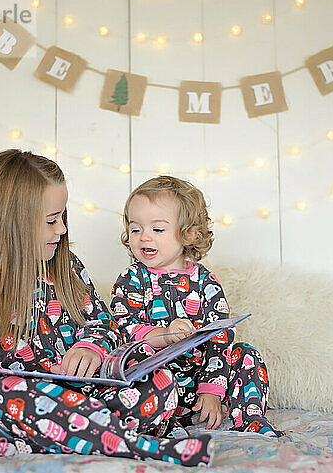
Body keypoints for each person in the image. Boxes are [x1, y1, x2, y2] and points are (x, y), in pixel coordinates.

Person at [0, 150, 214, 466]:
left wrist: (90, 347)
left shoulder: (67, 268)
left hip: (90, 398)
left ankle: (17, 444)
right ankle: (145, 449)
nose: (62, 229)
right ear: (7, 225)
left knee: (161, 382)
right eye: (52, 220)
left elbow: (108, 327)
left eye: (62, 217)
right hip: (26, 403)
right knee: (8, 392)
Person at [110, 175, 281, 437]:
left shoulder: (205, 282)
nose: (144, 237)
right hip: (158, 379)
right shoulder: (130, 279)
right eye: (135, 229)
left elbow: (219, 336)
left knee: (246, 354)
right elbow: (123, 329)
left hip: (203, 379)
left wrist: (212, 389)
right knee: (132, 371)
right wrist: (164, 335)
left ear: (188, 233)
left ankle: (250, 418)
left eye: (157, 229)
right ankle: (158, 424)